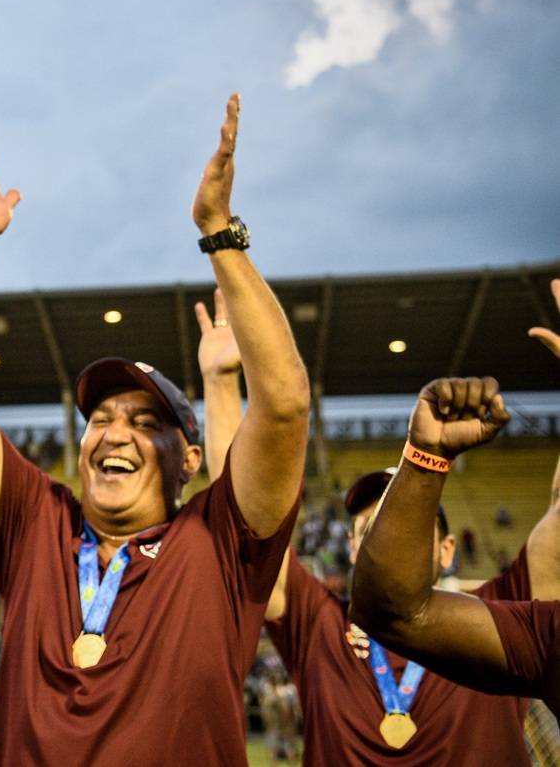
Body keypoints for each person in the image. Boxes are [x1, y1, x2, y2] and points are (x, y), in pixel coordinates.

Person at [0, 102, 310, 764]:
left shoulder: (219, 543)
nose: (115, 432)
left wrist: (218, 232)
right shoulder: (40, 523)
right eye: (101, 418)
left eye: (146, 422)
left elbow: (286, 404)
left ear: (190, 459)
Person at [200, 293, 553, 764]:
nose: (386, 534)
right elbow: (242, 514)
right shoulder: (317, 624)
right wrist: (222, 381)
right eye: (369, 525)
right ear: (349, 546)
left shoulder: (501, 619)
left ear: (448, 549)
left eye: (409, 521)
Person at [352, 279, 560, 716]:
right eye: (366, 532)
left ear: (449, 548)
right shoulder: (548, 632)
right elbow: (395, 611)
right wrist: (425, 457)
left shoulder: (514, 606)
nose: (376, 538)